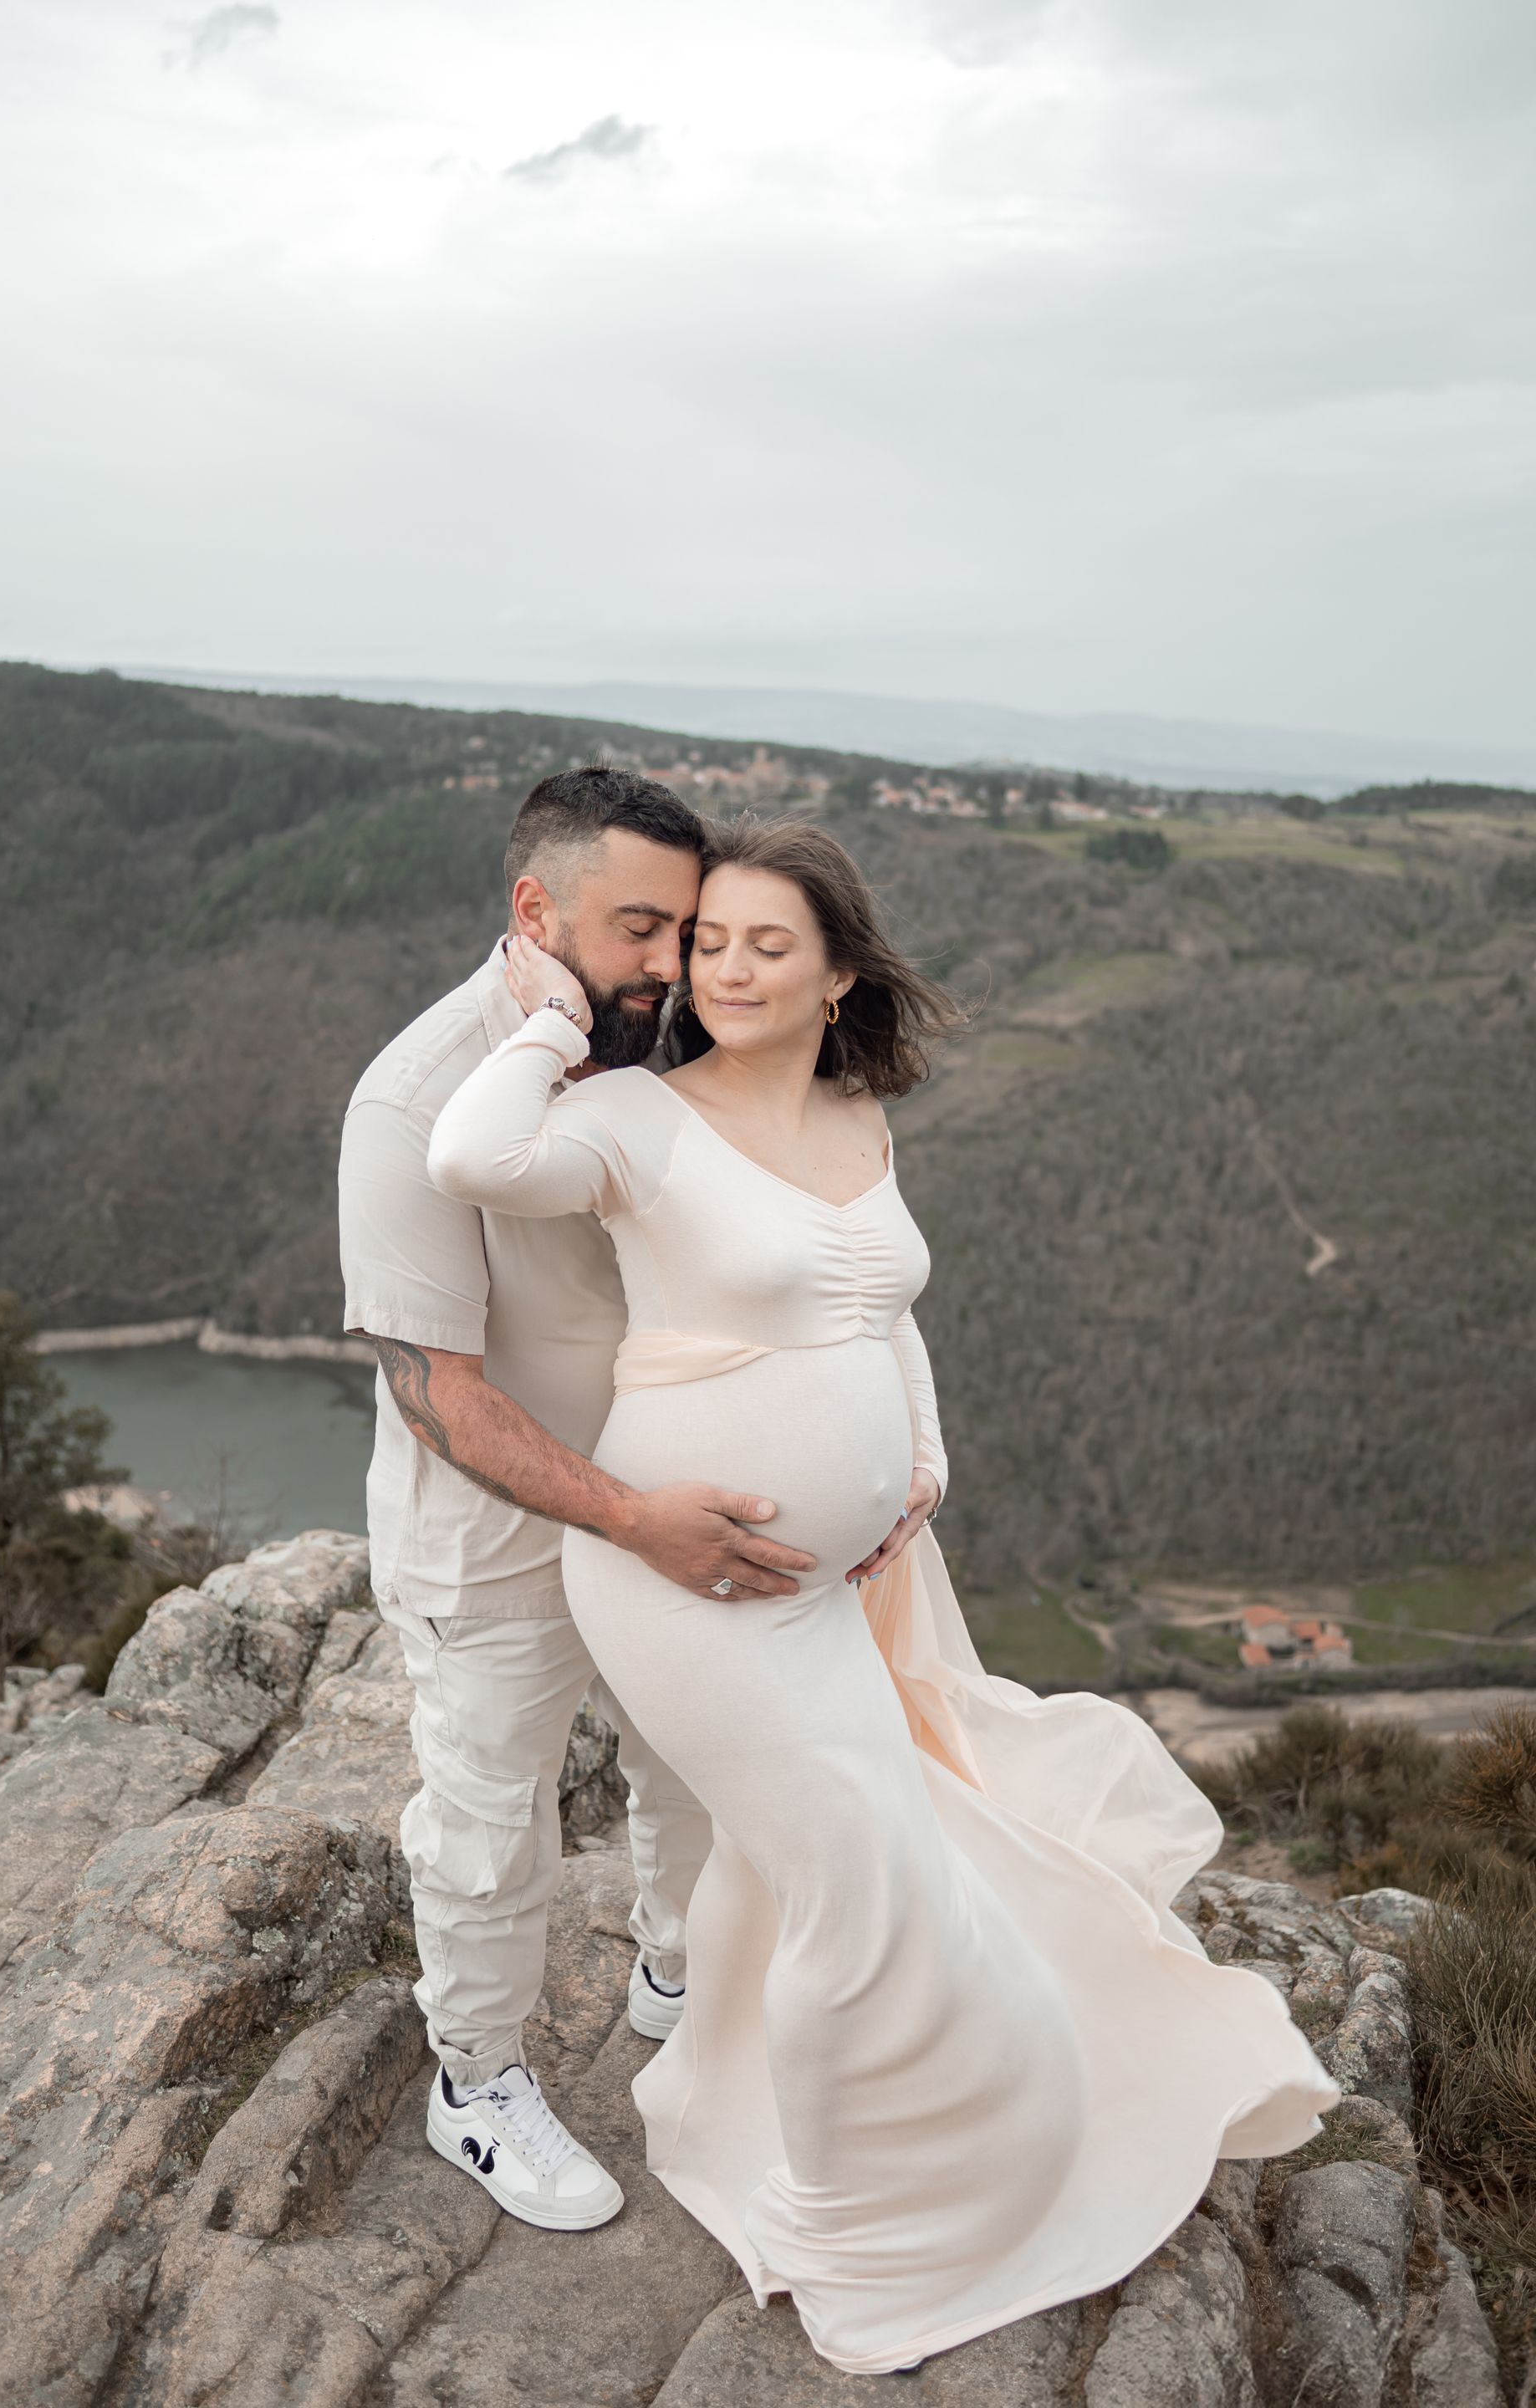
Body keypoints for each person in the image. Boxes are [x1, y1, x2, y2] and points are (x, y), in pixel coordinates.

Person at [425, 811, 1342, 2375]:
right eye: (708, 942)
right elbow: (471, 1155)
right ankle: (854, 2231)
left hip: (829, 1588)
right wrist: (556, 1013)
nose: (725, 969)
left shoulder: (858, 1117)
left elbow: (881, 1309)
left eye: (766, 944)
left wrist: (920, 1453)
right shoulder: (637, 1116)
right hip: (683, 1586)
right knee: (860, 1891)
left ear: (839, 973)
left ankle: (919, 2150)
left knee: (892, 1861)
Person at [337, 767, 819, 2234]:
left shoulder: (658, 1048)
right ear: (535, 910)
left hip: (667, 1510)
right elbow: (439, 1395)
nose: (672, 965)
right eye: (639, 929)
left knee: (692, 1766)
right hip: (494, 1546)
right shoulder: (413, 1100)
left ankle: (680, 1982)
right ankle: (476, 2084)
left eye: (687, 928)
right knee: (491, 1825)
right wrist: (628, 1517)